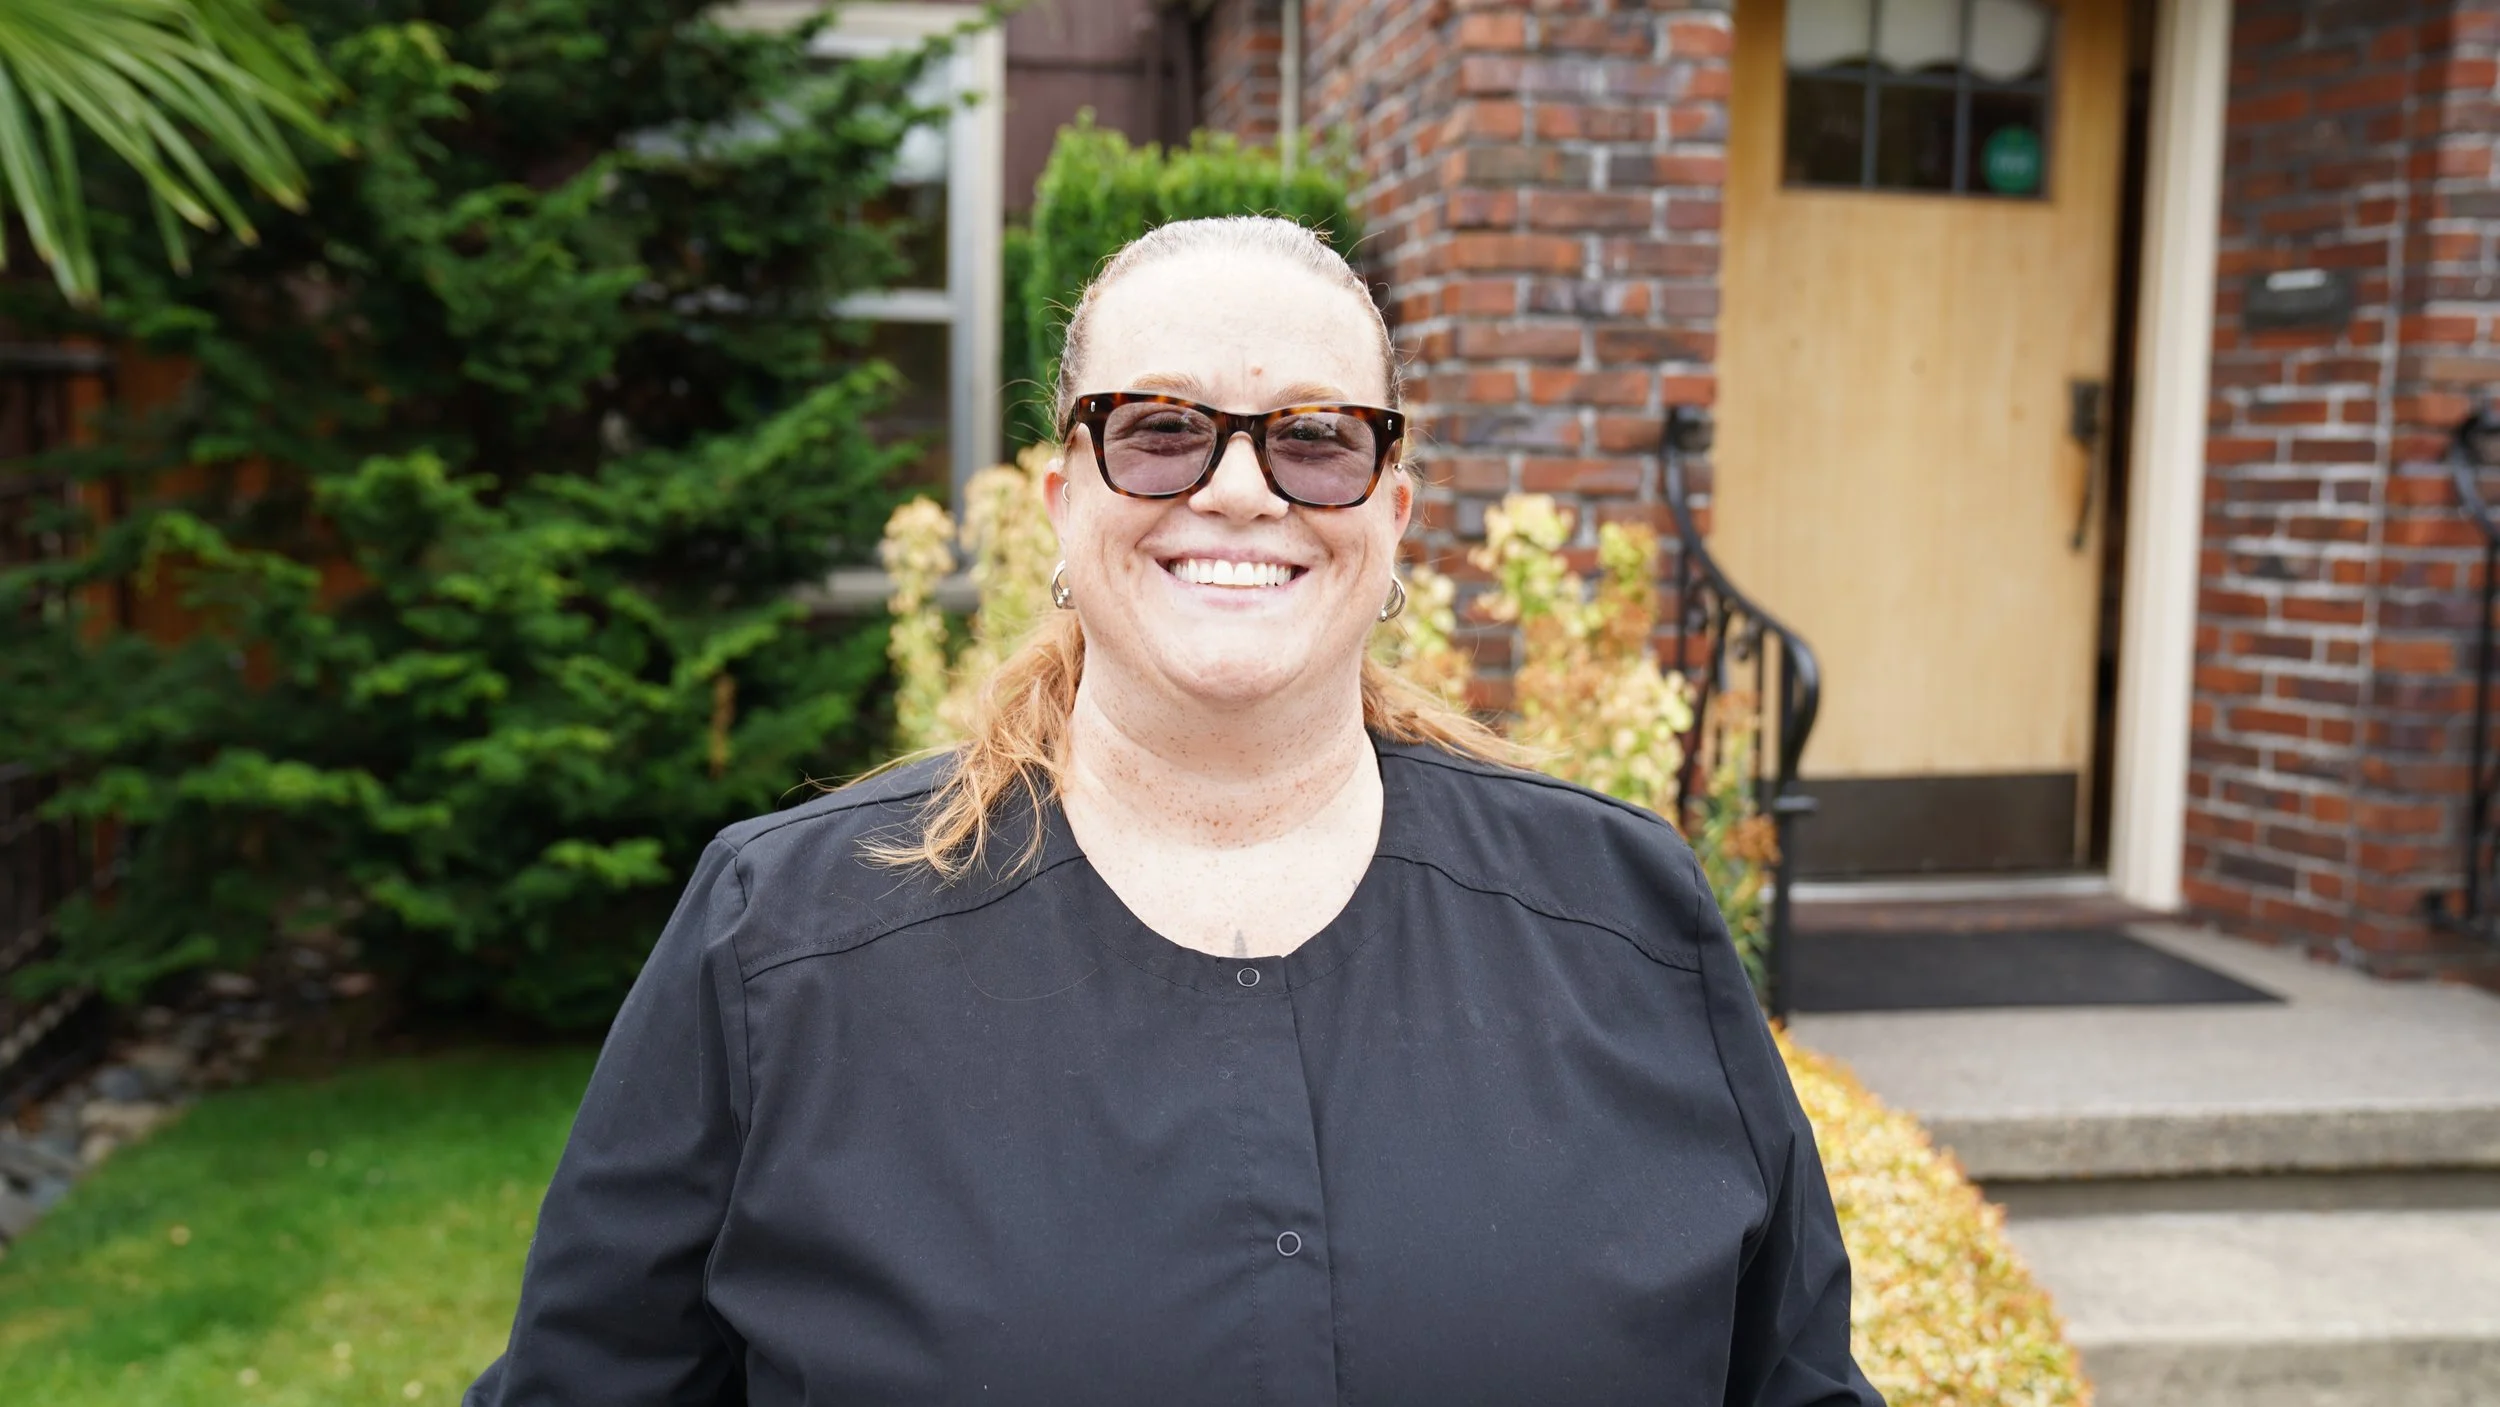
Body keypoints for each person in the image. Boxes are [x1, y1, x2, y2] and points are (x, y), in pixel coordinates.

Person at [465, 215, 1881, 1407]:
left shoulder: (1619, 915)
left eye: (1315, 439)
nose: (1242, 488)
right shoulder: (782, 944)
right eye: (1161, 430)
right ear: (1063, 491)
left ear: (1395, 502)